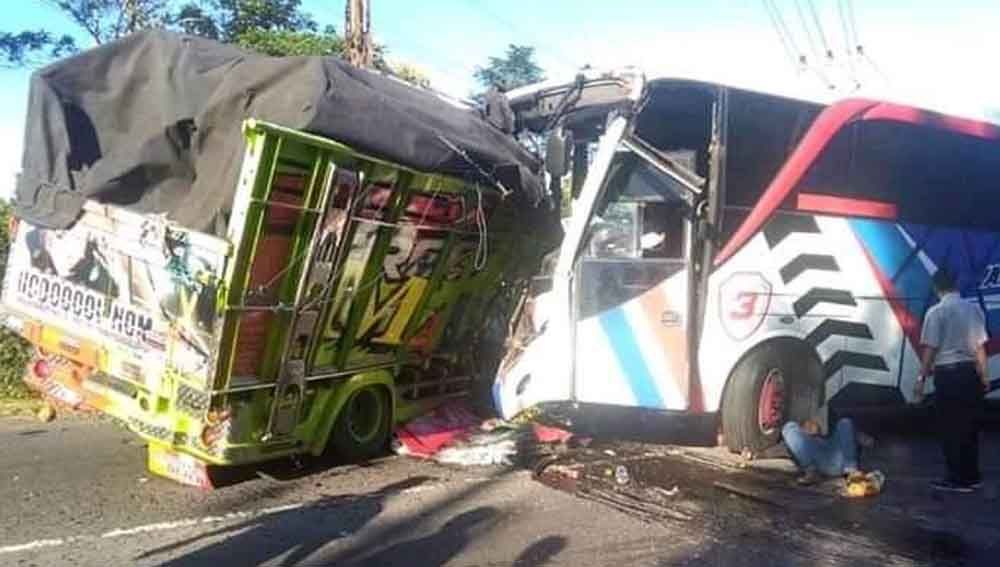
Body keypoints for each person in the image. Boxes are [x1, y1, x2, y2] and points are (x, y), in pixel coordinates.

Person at [917, 269, 989, 493]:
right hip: (970, 374)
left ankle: (956, 479)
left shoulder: (936, 312)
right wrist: (984, 376)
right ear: (955, 283)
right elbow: (979, 347)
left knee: (950, 427)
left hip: (948, 375)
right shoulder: (974, 309)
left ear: (936, 288)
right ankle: (972, 476)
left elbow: (931, 348)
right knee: (969, 426)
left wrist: (921, 378)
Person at [782, 417, 863, 485]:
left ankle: (851, 471)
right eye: (806, 426)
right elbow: (794, 444)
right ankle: (811, 472)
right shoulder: (806, 444)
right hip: (819, 462)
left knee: (845, 422)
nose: (810, 427)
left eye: (811, 424)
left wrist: (858, 436)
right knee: (789, 426)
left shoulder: (830, 435)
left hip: (841, 460)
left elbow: (848, 436)